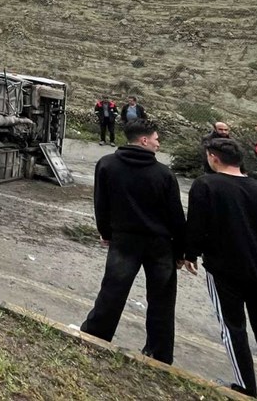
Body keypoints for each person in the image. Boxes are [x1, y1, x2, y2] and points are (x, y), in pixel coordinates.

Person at [184, 138, 257, 400]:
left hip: (225, 271)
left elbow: (197, 224)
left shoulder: (206, 185)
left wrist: (190, 254)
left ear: (213, 157)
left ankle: (245, 388)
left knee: (233, 328)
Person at [80, 119, 185, 364]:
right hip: (160, 245)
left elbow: (101, 204)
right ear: (144, 140)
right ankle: (159, 353)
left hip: (124, 240)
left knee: (112, 291)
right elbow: (176, 217)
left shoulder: (106, 164)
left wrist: (105, 232)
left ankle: (96, 334)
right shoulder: (163, 174)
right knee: (161, 300)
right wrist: (181, 251)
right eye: (157, 139)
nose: (159, 144)